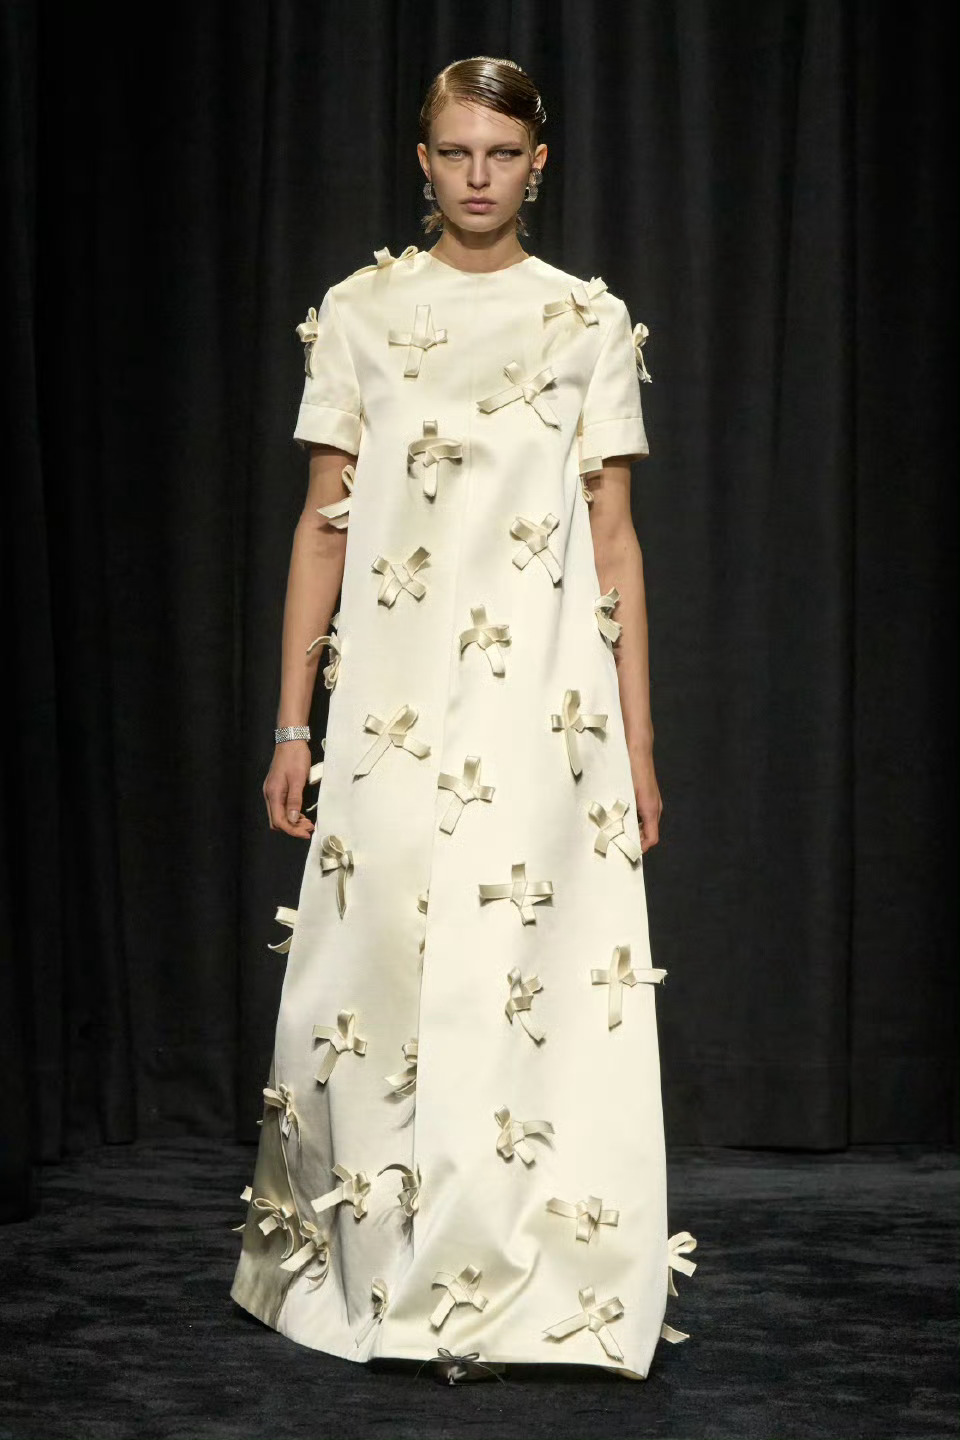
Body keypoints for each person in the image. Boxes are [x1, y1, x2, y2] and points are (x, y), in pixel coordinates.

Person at [230, 54, 697, 1382]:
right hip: (389, 708)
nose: (477, 177)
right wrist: (293, 726)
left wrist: (638, 747)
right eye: (455, 152)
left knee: (526, 978)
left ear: (538, 164)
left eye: (501, 153)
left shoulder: (584, 320)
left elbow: (615, 543)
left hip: (546, 711)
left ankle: (525, 1286)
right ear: (423, 161)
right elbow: (323, 529)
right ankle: (376, 1270)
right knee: (372, 974)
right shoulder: (363, 311)